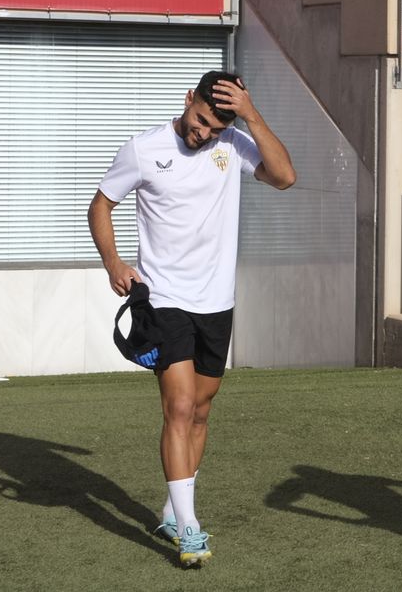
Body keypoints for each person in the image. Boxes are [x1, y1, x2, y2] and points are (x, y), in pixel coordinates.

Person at [87, 71, 295, 567]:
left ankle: (172, 509)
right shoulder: (143, 149)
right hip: (163, 300)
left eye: (214, 128)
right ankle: (190, 529)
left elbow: (285, 176)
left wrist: (249, 114)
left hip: (217, 302)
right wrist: (114, 264)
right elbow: (100, 205)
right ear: (188, 100)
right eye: (200, 120)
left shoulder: (236, 144)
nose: (203, 134)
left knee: (201, 410)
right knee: (179, 407)